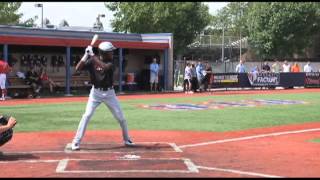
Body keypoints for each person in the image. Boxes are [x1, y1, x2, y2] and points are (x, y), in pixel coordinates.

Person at [70, 41, 134, 151]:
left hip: (110, 94)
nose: (112, 53)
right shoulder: (92, 61)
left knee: (121, 118)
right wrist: (86, 55)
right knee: (87, 115)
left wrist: (92, 55)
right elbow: (77, 69)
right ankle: (76, 141)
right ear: (104, 53)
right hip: (95, 93)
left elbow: (104, 68)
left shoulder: (111, 63)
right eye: (110, 52)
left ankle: (126, 139)